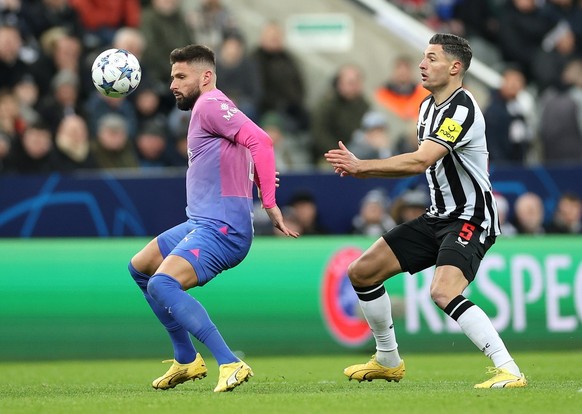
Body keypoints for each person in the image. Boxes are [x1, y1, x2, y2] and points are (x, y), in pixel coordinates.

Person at [324, 33, 526, 388]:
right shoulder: (427, 106)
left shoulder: (461, 108)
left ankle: (508, 369)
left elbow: (422, 160)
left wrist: (361, 166)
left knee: (443, 291)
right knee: (362, 272)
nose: (422, 64)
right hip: (438, 216)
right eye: (423, 57)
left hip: (471, 217)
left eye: (431, 58)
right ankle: (388, 359)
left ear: (455, 67)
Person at [128, 44, 299, 393]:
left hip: (222, 228)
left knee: (162, 283)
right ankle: (186, 359)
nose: (172, 84)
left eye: (180, 76)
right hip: (201, 222)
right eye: (172, 76)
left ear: (205, 77)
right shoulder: (215, 107)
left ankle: (229, 361)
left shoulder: (208, 104)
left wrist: (269, 202)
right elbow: (237, 153)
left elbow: (262, 142)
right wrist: (254, 177)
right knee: (141, 267)